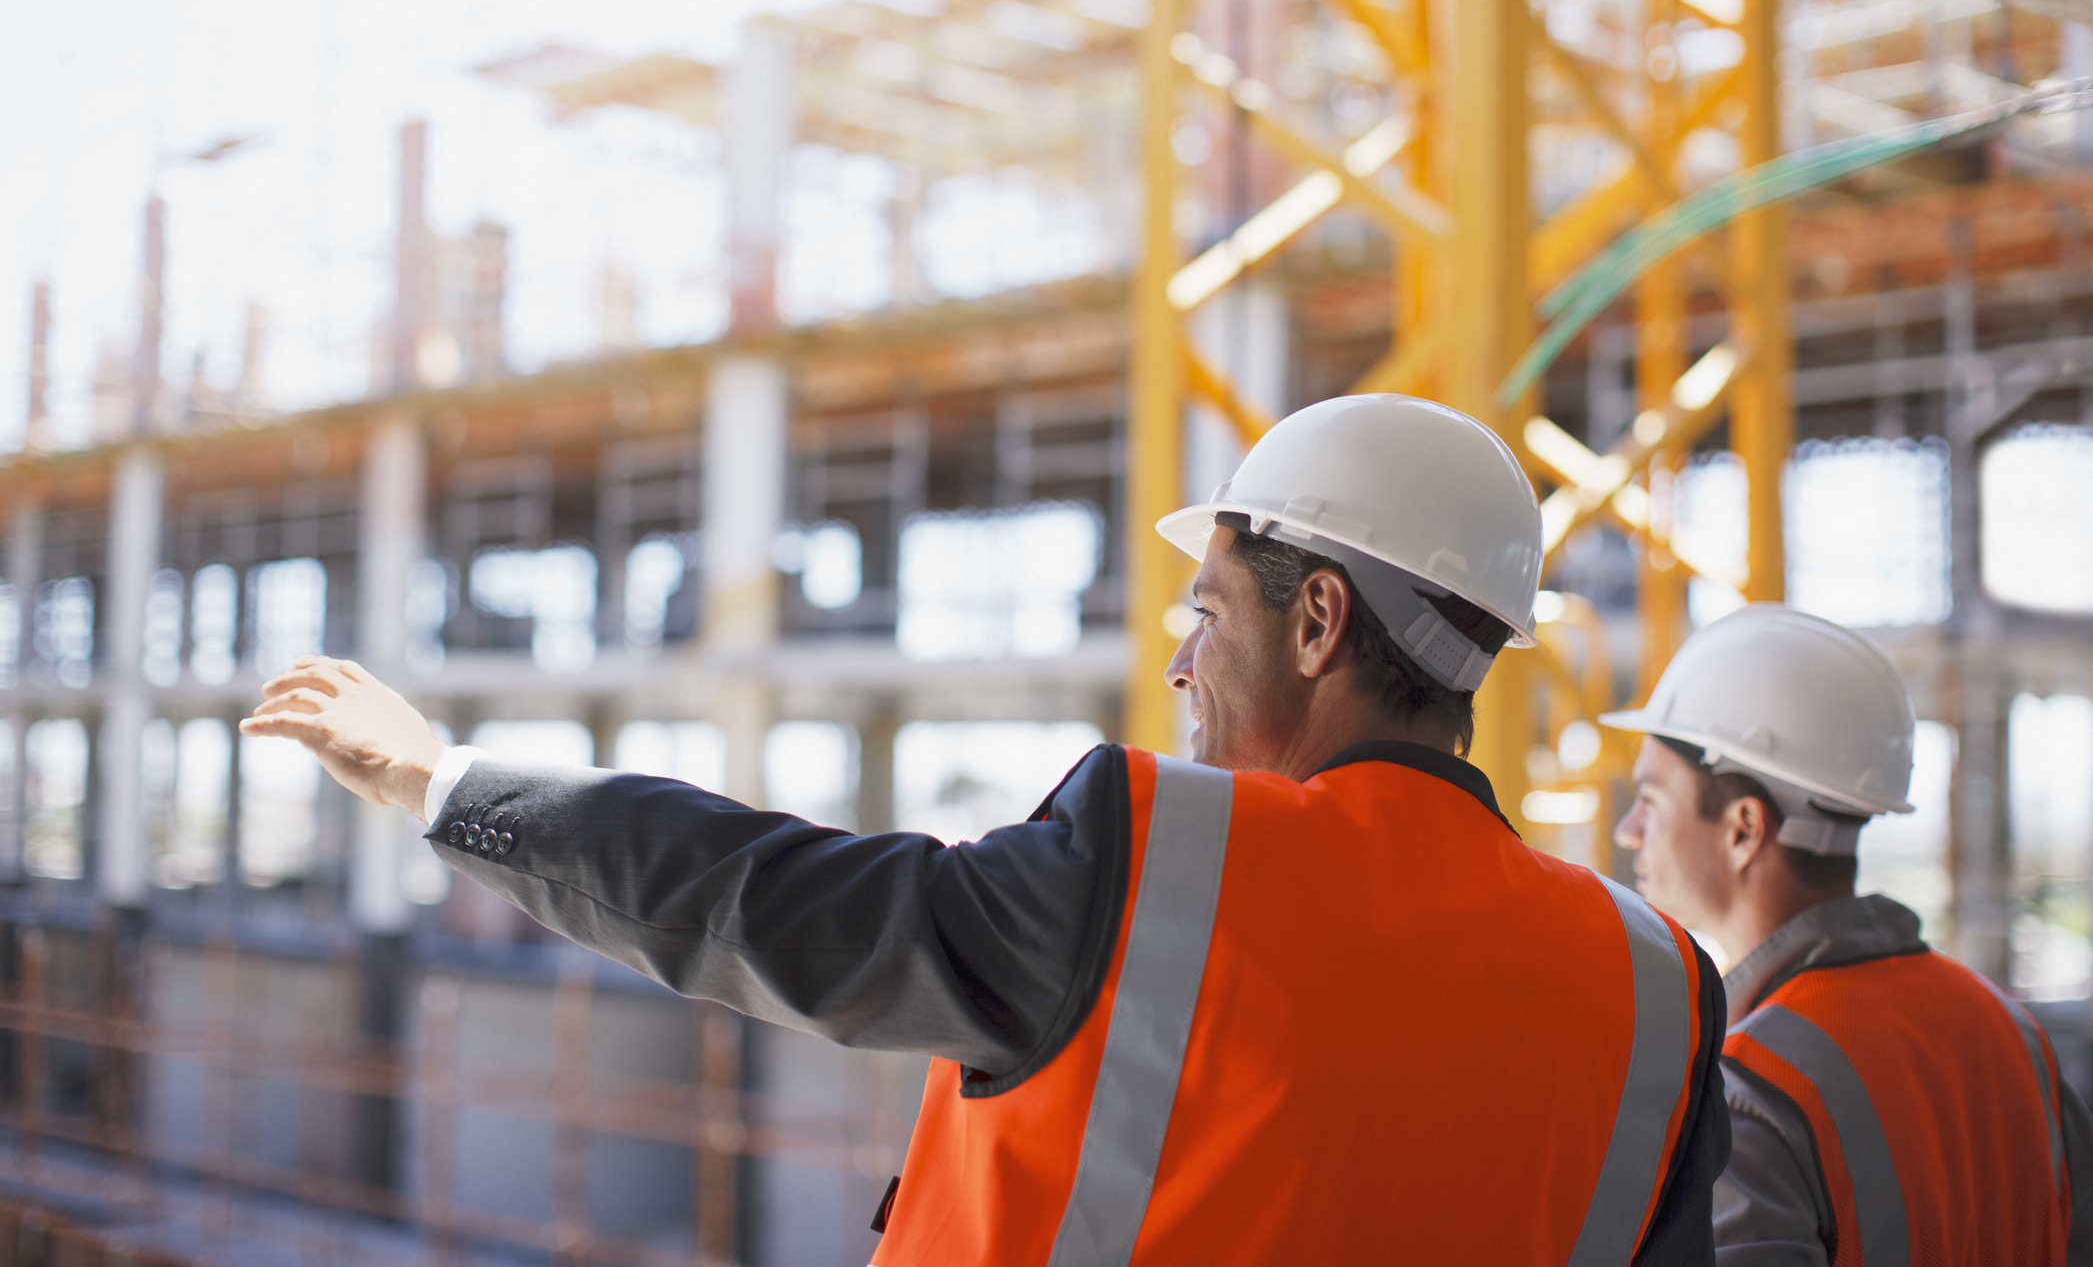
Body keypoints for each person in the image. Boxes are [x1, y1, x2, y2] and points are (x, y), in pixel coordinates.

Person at [244, 394, 1727, 1264]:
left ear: (1321, 619)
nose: (1179, 663)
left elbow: (769, 901)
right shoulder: (1656, 989)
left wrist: (444, 782)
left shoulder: (1166, 858)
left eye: (1204, 613)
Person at [1607, 604, 2093, 1265]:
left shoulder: (1752, 1085)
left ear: (1744, 829)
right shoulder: (2014, 1034)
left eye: (1651, 799)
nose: (1627, 828)